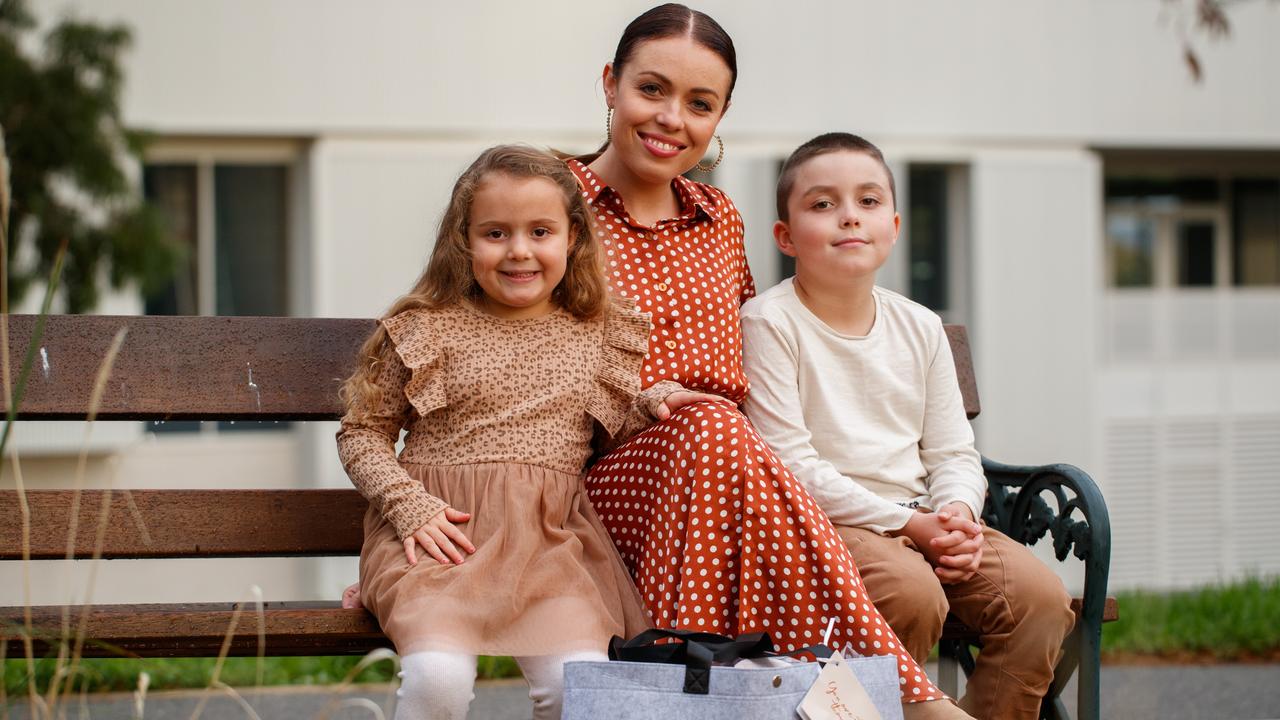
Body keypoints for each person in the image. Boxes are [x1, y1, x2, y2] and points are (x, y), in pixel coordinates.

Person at [570, 5, 966, 716]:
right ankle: (914, 701)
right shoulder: (552, 206)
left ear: (719, 117)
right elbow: (506, 360)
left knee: (724, 436)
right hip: (612, 480)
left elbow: (753, 356)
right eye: (651, 90)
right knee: (714, 430)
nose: (671, 119)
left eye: (699, 103)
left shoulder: (720, 220)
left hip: (739, 475)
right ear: (610, 84)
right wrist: (650, 399)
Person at [336, 145, 720, 720]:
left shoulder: (598, 333)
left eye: (540, 231)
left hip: (548, 548)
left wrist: (654, 401)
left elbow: (608, 429)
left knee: (578, 688)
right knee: (438, 679)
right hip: (439, 541)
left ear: (573, 239)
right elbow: (362, 432)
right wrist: (407, 506)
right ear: (463, 241)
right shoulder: (426, 328)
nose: (519, 251)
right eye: (496, 233)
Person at [740, 132, 1076, 720]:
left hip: (925, 519)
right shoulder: (771, 323)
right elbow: (789, 466)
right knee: (910, 595)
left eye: (868, 202)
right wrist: (910, 525)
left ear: (893, 226)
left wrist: (958, 516)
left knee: (1040, 601)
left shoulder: (920, 327)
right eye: (822, 204)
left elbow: (953, 450)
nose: (849, 216)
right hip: (829, 528)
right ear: (786, 237)